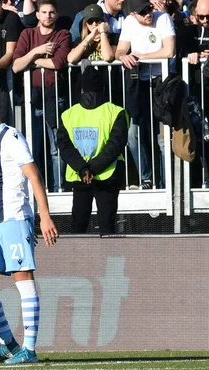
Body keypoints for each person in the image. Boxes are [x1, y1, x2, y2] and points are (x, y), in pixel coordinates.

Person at [0, 88, 58, 365]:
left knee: (23, 280)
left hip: (15, 218)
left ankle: (29, 349)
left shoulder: (12, 137)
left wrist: (43, 215)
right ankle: (8, 343)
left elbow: (34, 174)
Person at [57, 66, 128, 235]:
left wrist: (83, 169)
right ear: (103, 86)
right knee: (107, 227)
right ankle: (109, 261)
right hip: (107, 174)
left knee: (78, 226)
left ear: (81, 87)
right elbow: (115, 145)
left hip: (79, 175)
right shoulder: (115, 111)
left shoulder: (68, 114)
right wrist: (93, 168)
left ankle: (78, 261)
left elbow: (64, 147)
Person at [115, 0, 175, 189]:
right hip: (138, 84)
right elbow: (120, 50)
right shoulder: (130, 23)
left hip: (162, 83)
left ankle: (167, 184)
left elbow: (169, 50)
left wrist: (139, 56)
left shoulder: (163, 18)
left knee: (163, 138)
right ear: (132, 14)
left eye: (149, 8)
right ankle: (146, 178)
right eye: (142, 12)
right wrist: (124, 56)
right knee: (133, 134)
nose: (148, 14)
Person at [12, 0, 70, 193]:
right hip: (32, 97)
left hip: (55, 96)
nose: (48, 16)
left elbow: (58, 63)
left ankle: (58, 188)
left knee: (56, 149)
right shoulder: (27, 34)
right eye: (43, 12)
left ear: (57, 14)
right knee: (32, 148)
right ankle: (36, 190)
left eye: (51, 12)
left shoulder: (62, 34)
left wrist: (32, 61)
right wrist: (37, 52)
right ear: (37, 15)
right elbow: (16, 65)